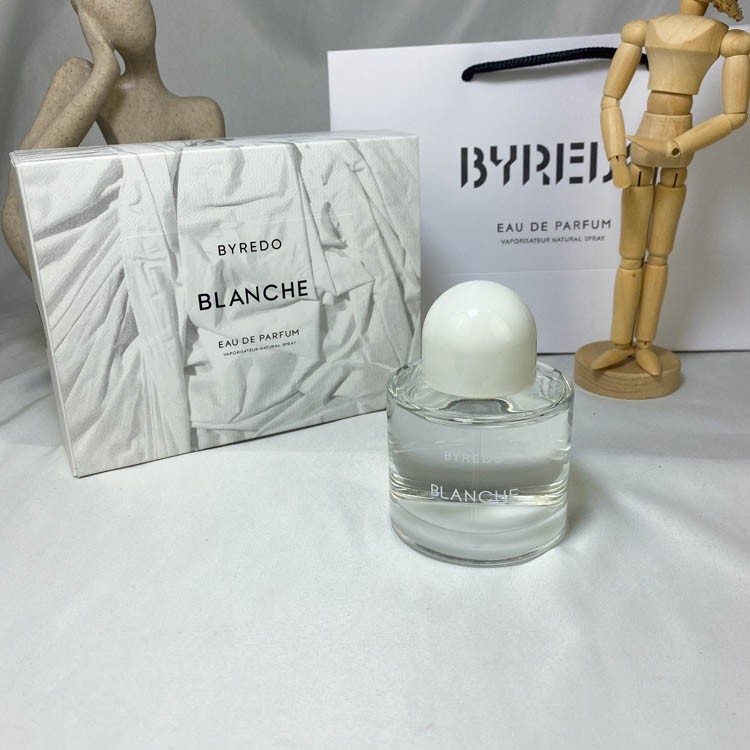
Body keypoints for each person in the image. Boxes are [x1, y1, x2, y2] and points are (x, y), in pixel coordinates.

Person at [2, 0, 225, 275]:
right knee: (14, 210)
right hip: (112, 257)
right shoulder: (81, 78)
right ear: (89, 19)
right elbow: (21, 182)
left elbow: (210, 224)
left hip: (170, 265)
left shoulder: (200, 114)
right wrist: (103, 73)